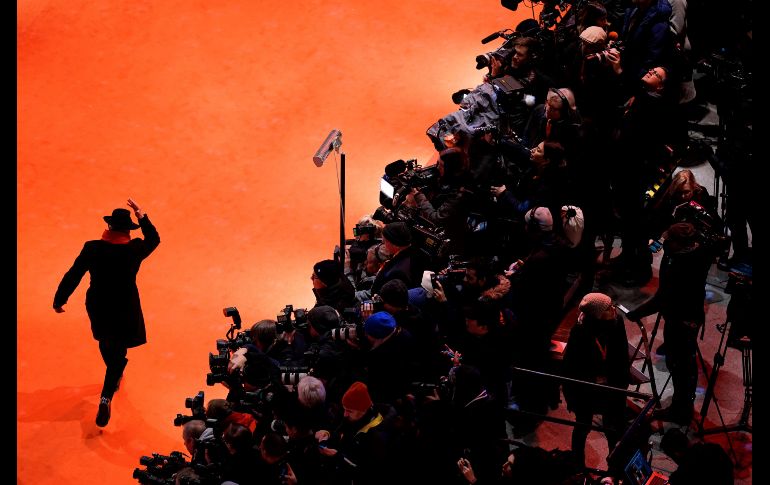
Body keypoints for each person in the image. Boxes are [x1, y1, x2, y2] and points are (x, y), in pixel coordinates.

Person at [53, 198, 160, 427]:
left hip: (99, 305)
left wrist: (60, 299)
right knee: (118, 354)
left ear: (109, 227)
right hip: (126, 306)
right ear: (128, 230)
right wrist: (142, 216)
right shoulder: (135, 249)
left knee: (106, 343)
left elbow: (74, 274)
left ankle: (115, 374)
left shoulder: (92, 248)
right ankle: (106, 394)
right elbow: (154, 239)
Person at [626, 222, 713, 425]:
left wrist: (637, 313)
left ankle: (681, 410)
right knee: (683, 365)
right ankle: (681, 406)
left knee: (681, 366)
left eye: (670, 241)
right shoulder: (693, 254)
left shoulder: (684, 265)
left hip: (683, 320)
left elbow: (663, 298)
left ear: (681, 244)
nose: (665, 244)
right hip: (684, 316)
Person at [562, 292, 631, 468]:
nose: (614, 309)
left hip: (611, 386)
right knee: (582, 426)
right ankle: (577, 467)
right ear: (597, 314)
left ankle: (614, 470)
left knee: (612, 429)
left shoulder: (617, 323)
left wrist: (620, 386)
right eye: (608, 308)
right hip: (586, 389)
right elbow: (571, 366)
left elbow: (622, 356)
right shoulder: (580, 331)